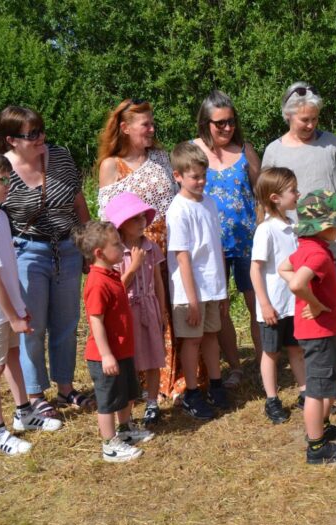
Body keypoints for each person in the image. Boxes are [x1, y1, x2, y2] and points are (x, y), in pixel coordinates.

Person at [0, 106, 91, 418]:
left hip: (68, 248)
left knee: (67, 322)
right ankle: (34, 394)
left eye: (41, 130)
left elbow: (78, 202)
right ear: (11, 140)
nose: (40, 137)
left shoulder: (60, 157)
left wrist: (88, 246)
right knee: (31, 326)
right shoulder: (2, 171)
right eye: (31, 134)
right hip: (27, 252)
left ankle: (66, 387)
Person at [262, 82, 336, 398]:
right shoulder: (274, 151)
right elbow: (265, 197)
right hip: (296, 244)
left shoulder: (330, 143)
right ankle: (314, 376)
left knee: (335, 305)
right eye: (304, 119)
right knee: (304, 307)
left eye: (315, 119)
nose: (310, 125)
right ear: (288, 116)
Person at [0, 150, 63, 455]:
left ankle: (24, 413)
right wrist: (14, 317)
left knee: (12, 356)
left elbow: (1, 262)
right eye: (4, 180)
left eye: (10, 178)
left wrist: (18, 305)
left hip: (8, 304)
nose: (10, 185)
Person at [96, 99, 193, 401]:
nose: (152, 129)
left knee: (169, 307)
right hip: (135, 252)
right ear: (125, 128)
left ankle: (177, 377)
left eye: (153, 124)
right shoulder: (111, 166)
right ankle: (148, 381)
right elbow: (108, 218)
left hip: (168, 246)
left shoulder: (161, 158)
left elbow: (175, 202)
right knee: (144, 312)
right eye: (145, 125)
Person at [278, 189, 336, 464]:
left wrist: (309, 296)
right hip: (318, 332)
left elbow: (284, 269)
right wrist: (315, 303)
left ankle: (323, 427)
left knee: (329, 384)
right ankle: (316, 447)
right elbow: (297, 283)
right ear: (323, 226)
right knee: (316, 390)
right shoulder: (318, 255)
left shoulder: (307, 248)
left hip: (322, 331)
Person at [193, 91, 262, 383]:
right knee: (220, 309)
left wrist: (263, 230)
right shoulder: (193, 151)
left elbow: (262, 194)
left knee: (257, 305)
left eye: (231, 121)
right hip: (210, 247)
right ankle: (234, 367)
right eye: (219, 123)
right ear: (205, 123)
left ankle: (265, 365)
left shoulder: (245, 150)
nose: (227, 128)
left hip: (248, 243)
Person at [73, 221, 154, 463]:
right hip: (105, 356)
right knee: (108, 401)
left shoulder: (112, 274)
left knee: (127, 393)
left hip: (122, 350)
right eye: (116, 245)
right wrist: (106, 354)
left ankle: (125, 429)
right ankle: (109, 444)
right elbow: (95, 321)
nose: (122, 248)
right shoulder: (97, 282)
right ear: (100, 253)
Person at [166, 142, 229, 420]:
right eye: (195, 177)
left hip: (213, 287)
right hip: (189, 292)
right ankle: (192, 393)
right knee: (192, 341)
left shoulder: (210, 203)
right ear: (178, 176)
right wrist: (192, 301)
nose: (201, 181)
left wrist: (223, 291)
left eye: (204, 175)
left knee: (212, 336)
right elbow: (183, 259)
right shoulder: (178, 210)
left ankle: (216, 384)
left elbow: (216, 248)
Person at [104, 193, 167, 425]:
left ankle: (152, 402)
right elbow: (116, 287)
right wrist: (134, 266)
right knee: (128, 360)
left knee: (153, 356)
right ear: (122, 224)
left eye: (143, 217)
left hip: (149, 306)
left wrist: (162, 311)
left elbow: (158, 282)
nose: (142, 222)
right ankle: (127, 408)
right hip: (126, 311)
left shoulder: (150, 246)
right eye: (135, 218)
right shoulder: (117, 252)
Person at [249, 167, 306, 424]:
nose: (298, 194)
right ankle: (272, 400)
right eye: (293, 190)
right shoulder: (266, 230)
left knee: (296, 349)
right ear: (275, 198)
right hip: (274, 305)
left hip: (293, 304)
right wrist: (264, 304)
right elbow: (255, 269)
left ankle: (305, 393)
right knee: (271, 353)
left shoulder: (293, 226)